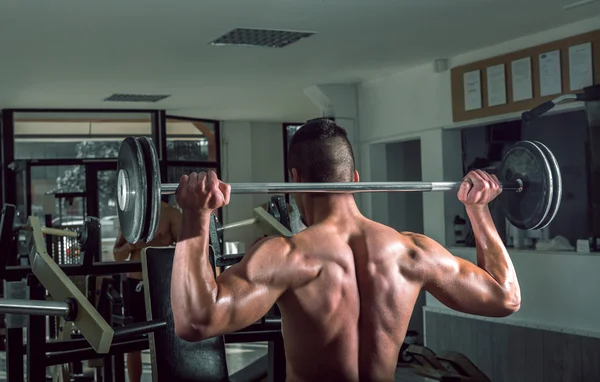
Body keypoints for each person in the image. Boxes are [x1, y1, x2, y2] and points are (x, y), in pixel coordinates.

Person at [170, 119, 521, 382]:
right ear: (354, 178)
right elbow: (505, 297)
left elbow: (196, 321)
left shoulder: (288, 257)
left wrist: (196, 217)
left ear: (295, 179)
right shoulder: (412, 252)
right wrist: (479, 210)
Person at [113, 199, 181, 382]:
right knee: (133, 340)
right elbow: (117, 256)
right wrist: (130, 246)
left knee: (167, 338)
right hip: (135, 283)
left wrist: (160, 245)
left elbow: (187, 249)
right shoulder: (131, 216)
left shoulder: (171, 214)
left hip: (163, 283)